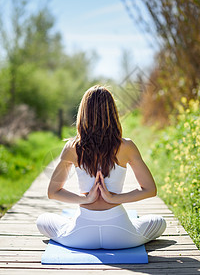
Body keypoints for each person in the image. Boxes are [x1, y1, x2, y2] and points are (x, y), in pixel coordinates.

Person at [36, 85, 166, 249]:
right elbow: (150, 189)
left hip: (81, 235)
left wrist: (86, 199)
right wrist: (114, 199)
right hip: (120, 235)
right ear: (113, 113)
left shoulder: (72, 147)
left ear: (83, 113)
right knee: (159, 221)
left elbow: (53, 192)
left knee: (43, 220)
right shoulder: (127, 146)